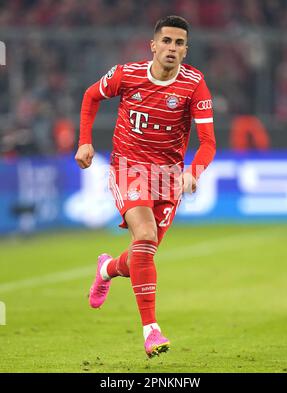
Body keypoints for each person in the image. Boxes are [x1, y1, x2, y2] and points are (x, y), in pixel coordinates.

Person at [75, 15, 216, 358]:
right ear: (153, 45)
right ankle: (151, 330)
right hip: (129, 168)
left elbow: (209, 142)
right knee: (146, 237)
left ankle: (107, 268)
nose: (172, 48)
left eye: (179, 43)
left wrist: (192, 172)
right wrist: (84, 141)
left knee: (143, 252)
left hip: (168, 177)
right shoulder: (127, 74)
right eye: (166, 41)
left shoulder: (194, 83)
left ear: (186, 50)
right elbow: (91, 96)